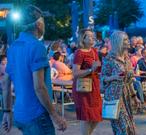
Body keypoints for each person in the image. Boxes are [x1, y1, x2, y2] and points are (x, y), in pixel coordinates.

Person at [1, 5, 67, 135]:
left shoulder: (13, 47)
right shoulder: (37, 46)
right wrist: (55, 115)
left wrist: (7, 112)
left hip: (19, 113)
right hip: (37, 115)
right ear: (39, 23)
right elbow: (39, 87)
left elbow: (5, 83)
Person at [101, 31, 140, 135]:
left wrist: (134, 96)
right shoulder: (109, 58)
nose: (128, 41)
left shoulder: (127, 58)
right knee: (122, 126)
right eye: (125, 39)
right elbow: (103, 78)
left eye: (127, 39)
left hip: (126, 95)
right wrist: (113, 77)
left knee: (130, 126)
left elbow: (130, 81)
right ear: (118, 42)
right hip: (114, 95)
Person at [72, 29, 102, 135]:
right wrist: (90, 70)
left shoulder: (94, 51)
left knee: (97, 116)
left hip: (94, 86)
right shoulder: (79, 53)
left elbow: (97, 68)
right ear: (83, 39)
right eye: (89, 36)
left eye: (92, 36)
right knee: (86, 117)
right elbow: (75, 73)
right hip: (83, 88)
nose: (92, 37)